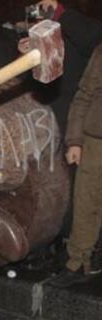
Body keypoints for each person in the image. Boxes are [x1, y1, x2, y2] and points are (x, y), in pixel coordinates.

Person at [48, 41, 102, 287]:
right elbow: (84, 94)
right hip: (95, 140)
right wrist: (75, 141)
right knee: (85, 201)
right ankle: (79, 260)